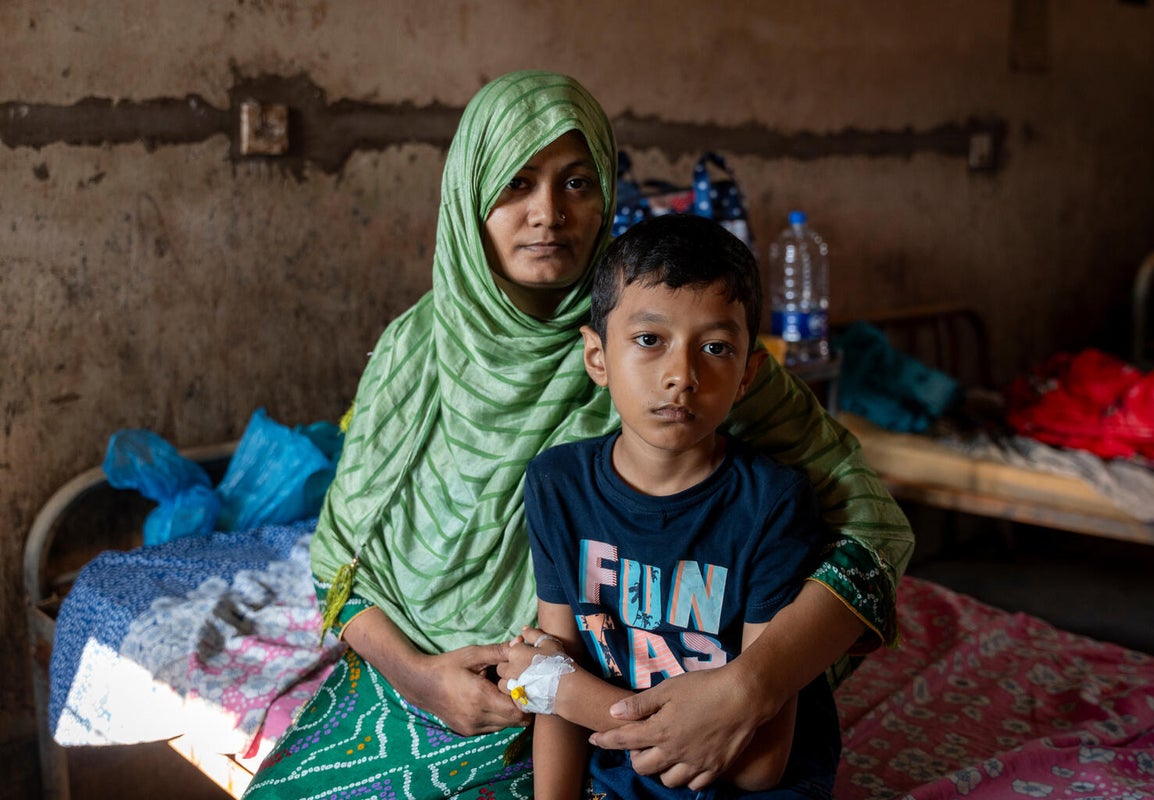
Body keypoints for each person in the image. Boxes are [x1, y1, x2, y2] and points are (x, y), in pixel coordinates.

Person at [242, 69, 913, 800]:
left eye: (576, 182)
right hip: (417, 685)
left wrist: (748, 687)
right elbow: (342, 554)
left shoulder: (662, 335)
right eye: (515, 183)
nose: (549, 214)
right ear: (468, 194)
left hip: (581, 710)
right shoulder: (414, 349)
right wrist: (419, 677)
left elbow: (872, 529)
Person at [503, 213, 841, 799]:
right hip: (617, 772)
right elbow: (556, 673)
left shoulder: (772, 504)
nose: (681, 376)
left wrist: (568, 692)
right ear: (597, 356)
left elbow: (760, 764)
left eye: (715, 348)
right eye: (649, 340)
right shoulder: (558, 486)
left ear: (747, 375)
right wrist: (555, 694)